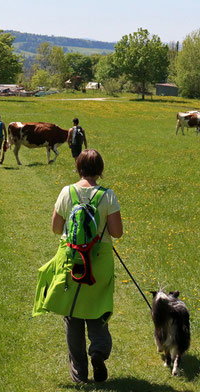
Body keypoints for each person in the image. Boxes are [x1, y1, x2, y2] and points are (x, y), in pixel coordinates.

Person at [33, 149, 123, 383]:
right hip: (99, 261)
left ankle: (79, 374)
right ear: (100, 169)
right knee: (98, 310)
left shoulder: (67, 192)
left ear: (78, 167)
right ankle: (99, 352)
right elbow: (117, 232)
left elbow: (55, 228)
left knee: (72, 317)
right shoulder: (108, 195)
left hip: (71, 260)